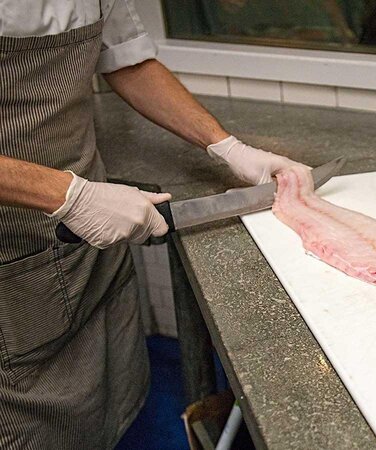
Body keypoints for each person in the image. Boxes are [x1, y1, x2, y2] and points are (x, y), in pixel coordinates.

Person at [0, 1, 305, 448]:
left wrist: (226, 146)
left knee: (112, 392)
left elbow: (127, 61)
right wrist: (67, 196)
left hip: (88, 235)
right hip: (13, 251)